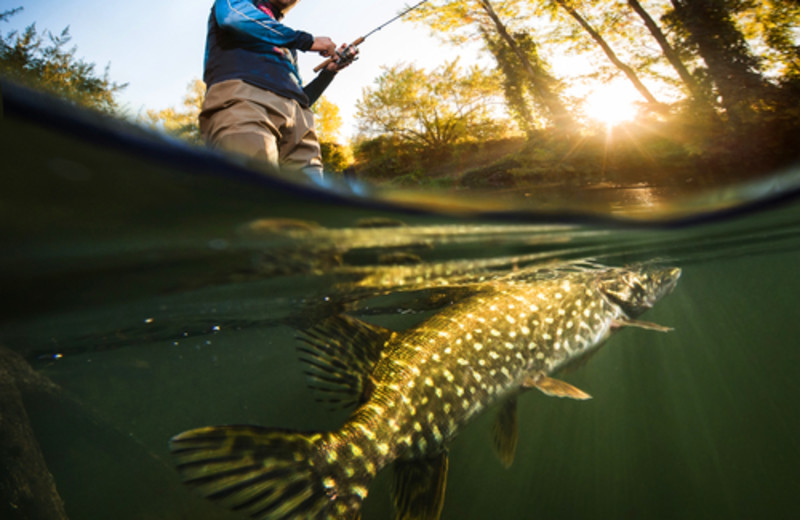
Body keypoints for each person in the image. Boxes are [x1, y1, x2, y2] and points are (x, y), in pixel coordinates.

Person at [200, 0, 356, 177]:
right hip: (246, 99)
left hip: (300, 122)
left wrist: (328, 73)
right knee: (254, 191)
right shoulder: (236, 5)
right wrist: (307, 41)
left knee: (311, 200)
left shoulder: (289, 42)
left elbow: (302, 97)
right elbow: (233, 18)